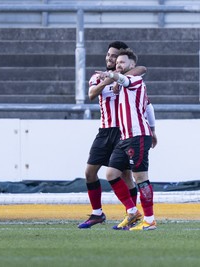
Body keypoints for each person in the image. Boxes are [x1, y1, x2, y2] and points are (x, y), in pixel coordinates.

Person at [78, 41, 155, 229]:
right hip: (106, 131)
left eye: (115, 57)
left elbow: (141, 72)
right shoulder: (99, 77)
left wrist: (153, 130)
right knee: (91, 172)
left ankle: (136, 215)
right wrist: (110, 79)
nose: (110, 59)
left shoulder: (130, 78)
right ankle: (98, 213)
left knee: (129, 176)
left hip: (125, 131)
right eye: (109, 56)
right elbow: (91, 94)